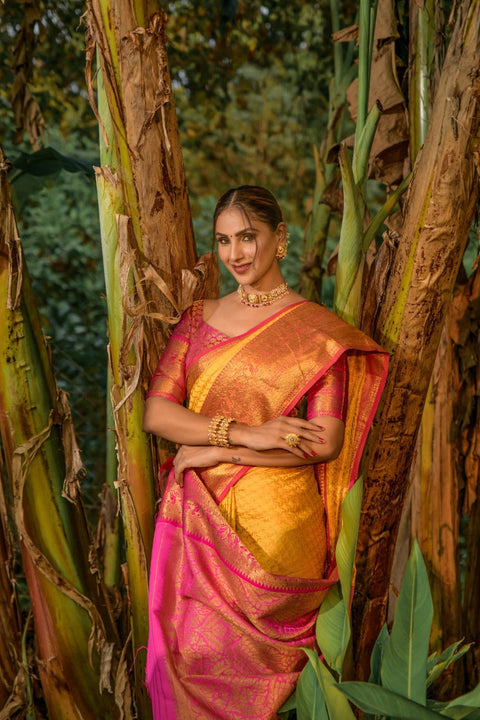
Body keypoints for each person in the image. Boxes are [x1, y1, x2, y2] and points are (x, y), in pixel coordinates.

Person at [143, 185, 389, 719]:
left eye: (248, 237)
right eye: (225, 240)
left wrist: (211, 452)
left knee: (266, 691)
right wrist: (243, 435)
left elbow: (325, 441)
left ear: (280, 238)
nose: (235, 254)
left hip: (279, 527)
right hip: (197, 518)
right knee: (186, 661)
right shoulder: (198, 317)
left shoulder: (316, 332)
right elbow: (157, 414)